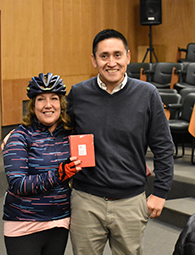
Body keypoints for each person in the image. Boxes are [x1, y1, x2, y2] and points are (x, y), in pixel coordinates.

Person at [67, 29, 174, 254]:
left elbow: (163, 146)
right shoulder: (78, 94)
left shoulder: (147, 94)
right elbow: (54, 127)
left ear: (128, 56)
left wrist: (161, 192)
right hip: (86, 201)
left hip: (130, 201)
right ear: (94, 60)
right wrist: (18, 134)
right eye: (104, 56)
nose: (111, 62)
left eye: (117, 55)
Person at [2, 72, 82, 255]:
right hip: (24, 224)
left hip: (59, 222)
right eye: (41, 99)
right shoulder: (19, 137)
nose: (48, 105)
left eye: (54, 98)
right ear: (32, 105)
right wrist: (58, 175)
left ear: (61, 104)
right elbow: (17, 184)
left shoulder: (70, 134)